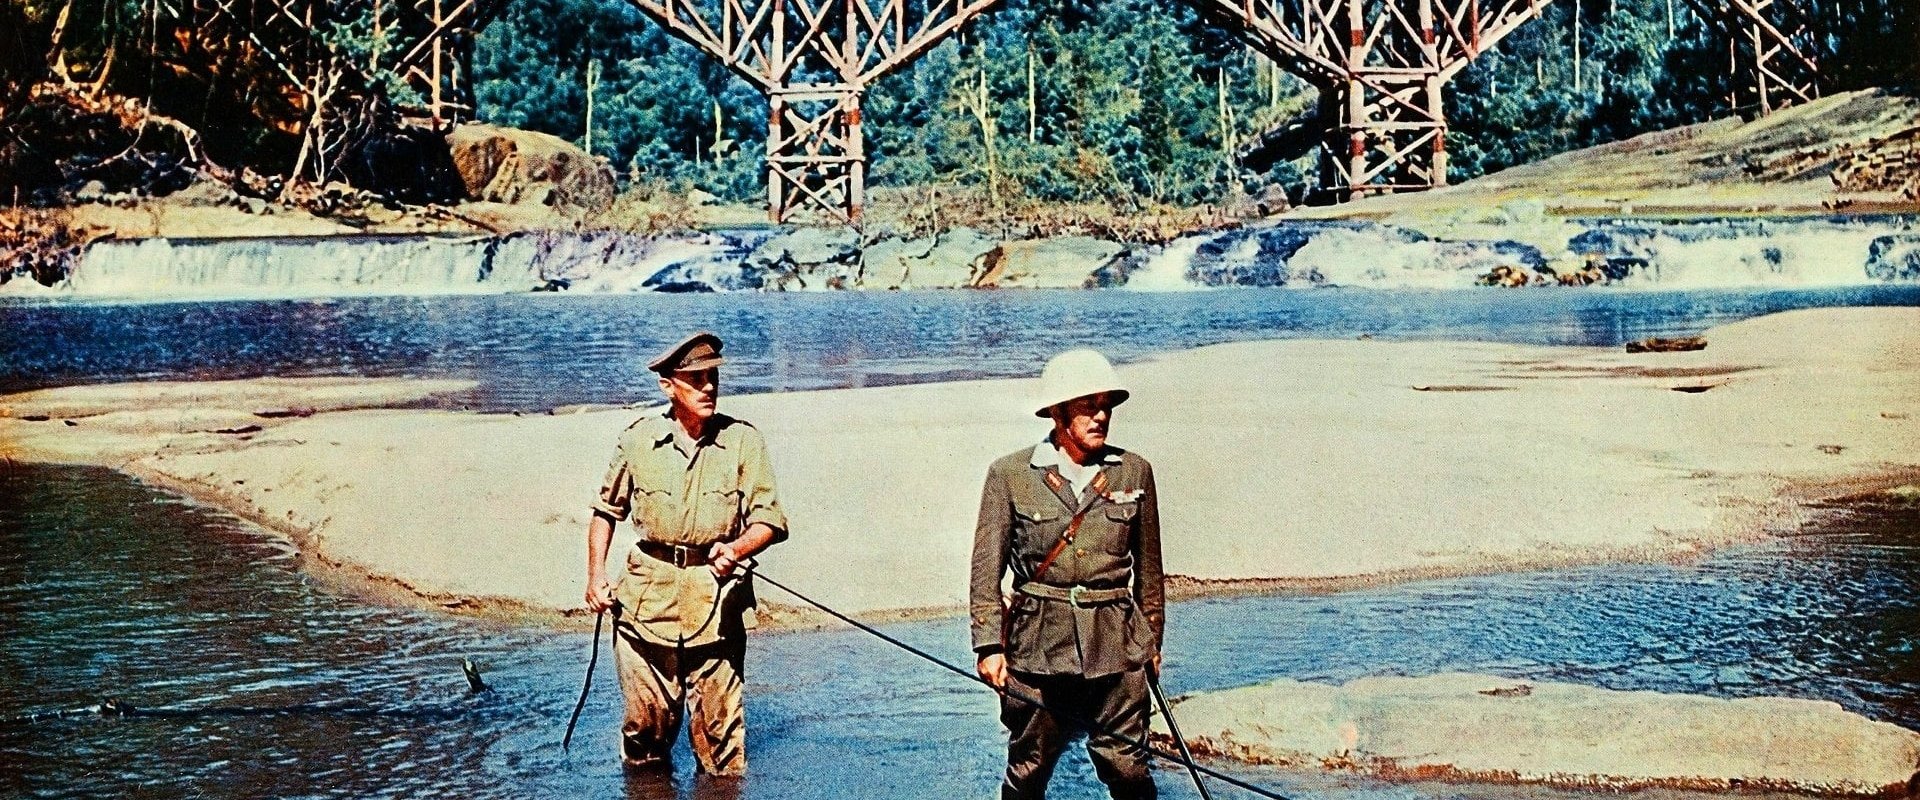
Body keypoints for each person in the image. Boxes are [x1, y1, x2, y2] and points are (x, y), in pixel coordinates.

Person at [583, 331, 787, 776]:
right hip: (644, 606)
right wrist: (596, 577)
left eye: (712, 377)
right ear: (668, 385)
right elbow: (605, 512)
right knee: (644, 733)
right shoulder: (637, 441)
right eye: (696, 379)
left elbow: (770, 521)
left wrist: (737, 547)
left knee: (721, 744)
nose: (709, 387)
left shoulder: (742, 442)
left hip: (717, 604)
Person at [969, 348, 1165, 800]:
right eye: (1086, 406)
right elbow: (986, 571)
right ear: (1057, 414)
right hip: (1038, 646)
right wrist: (988, 646)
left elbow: (1150, 572)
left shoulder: (1133, 471)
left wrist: (1151, 643)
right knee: (1030, 767)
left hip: (1117, 643)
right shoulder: (1011, 474)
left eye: (1105, 406)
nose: (1100, 416)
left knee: (1128, 768)